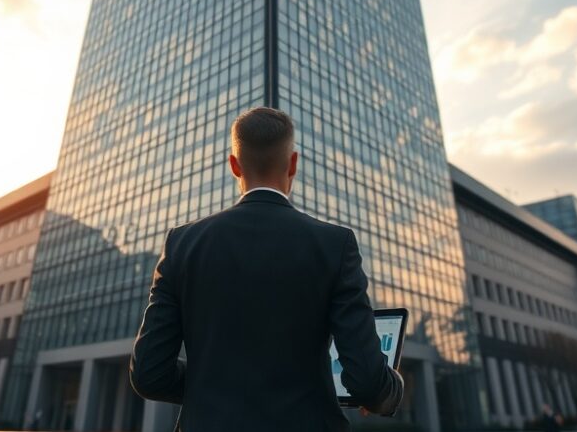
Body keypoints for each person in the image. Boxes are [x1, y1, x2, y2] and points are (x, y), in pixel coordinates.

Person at [130, 107, 404, 431]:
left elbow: (149, 374)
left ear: (234, 165)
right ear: (293, 164)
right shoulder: (335, 245)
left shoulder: (182, 244)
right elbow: (369, 383)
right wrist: (392, 389)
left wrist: (215, 384)